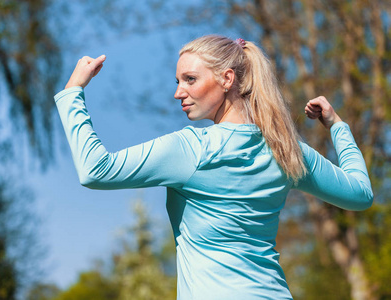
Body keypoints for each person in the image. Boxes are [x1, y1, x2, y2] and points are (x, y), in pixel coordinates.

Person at [54, 35, 373, 299]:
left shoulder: (190, 149)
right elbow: (360, 194)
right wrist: (336, 125)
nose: (178, 92)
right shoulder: (286, 150)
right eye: (178, 80)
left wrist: (73, 92)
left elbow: (95, 170)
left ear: (227, 78)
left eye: (190, 79)